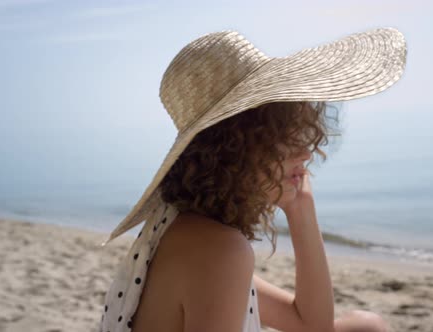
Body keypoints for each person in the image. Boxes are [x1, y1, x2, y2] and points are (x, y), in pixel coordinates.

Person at [99, 28, 406, 332]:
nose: (305, 153)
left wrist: (301, 208)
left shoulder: (187, 228)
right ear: (235, 147)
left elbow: (312, 323)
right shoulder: (219, 251)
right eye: (285, 135)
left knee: (367, 325)